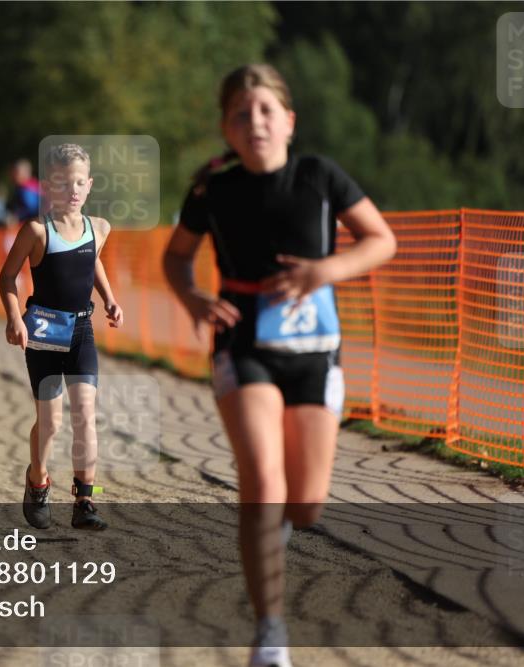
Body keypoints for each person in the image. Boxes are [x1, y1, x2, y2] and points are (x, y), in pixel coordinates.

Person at [162, 64, 396, 667]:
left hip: (316, 352)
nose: (255, 122)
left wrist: (325, 270)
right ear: (226, 129)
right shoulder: (212, 191)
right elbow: (176, 258)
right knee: (264, 486)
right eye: (241, 114)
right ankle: (270, 634)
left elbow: (380, 239)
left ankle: (279, 533)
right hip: (243, 346)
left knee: (307, 505)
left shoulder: (320, 176)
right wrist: (192, 298)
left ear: (289, 121)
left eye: (266, 110)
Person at [0, 143, 124, 531]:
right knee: (50, 423)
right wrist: (14, 318)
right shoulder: (37, 231)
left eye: (79, 182)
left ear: (89, 186)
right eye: (63, 183)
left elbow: (92, 260)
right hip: (43, 331)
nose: (72, 189)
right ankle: (37, 481)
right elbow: (6, 277)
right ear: (49, 188)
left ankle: (85, 500)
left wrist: (110, 299)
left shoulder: (98, 228)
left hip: (81, 330)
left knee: (86, 413)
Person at [5, 158, 41, 225]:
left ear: (25, 172)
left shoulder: (26, 190)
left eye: (16, 172)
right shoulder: (36, 185)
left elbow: (31, 209)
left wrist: (16, 217)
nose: (12, 175)